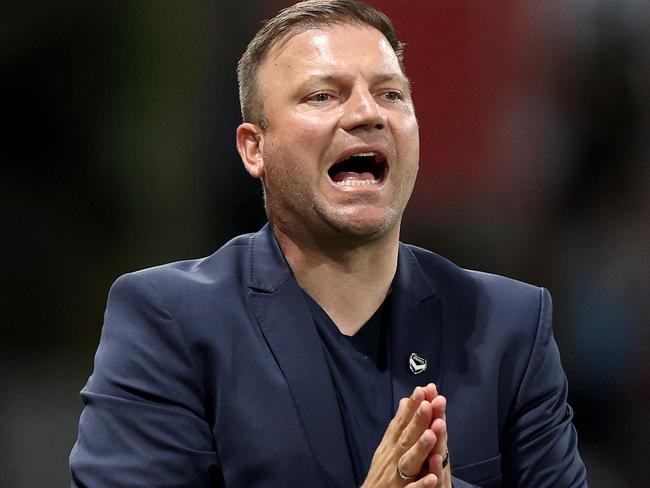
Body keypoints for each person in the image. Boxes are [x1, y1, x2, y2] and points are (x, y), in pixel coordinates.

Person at [69, 1, 587, 486]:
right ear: (255, 148)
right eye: (323, 95)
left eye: (391, 94)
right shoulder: (169, 320)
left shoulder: (509, 326)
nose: (368, 114)